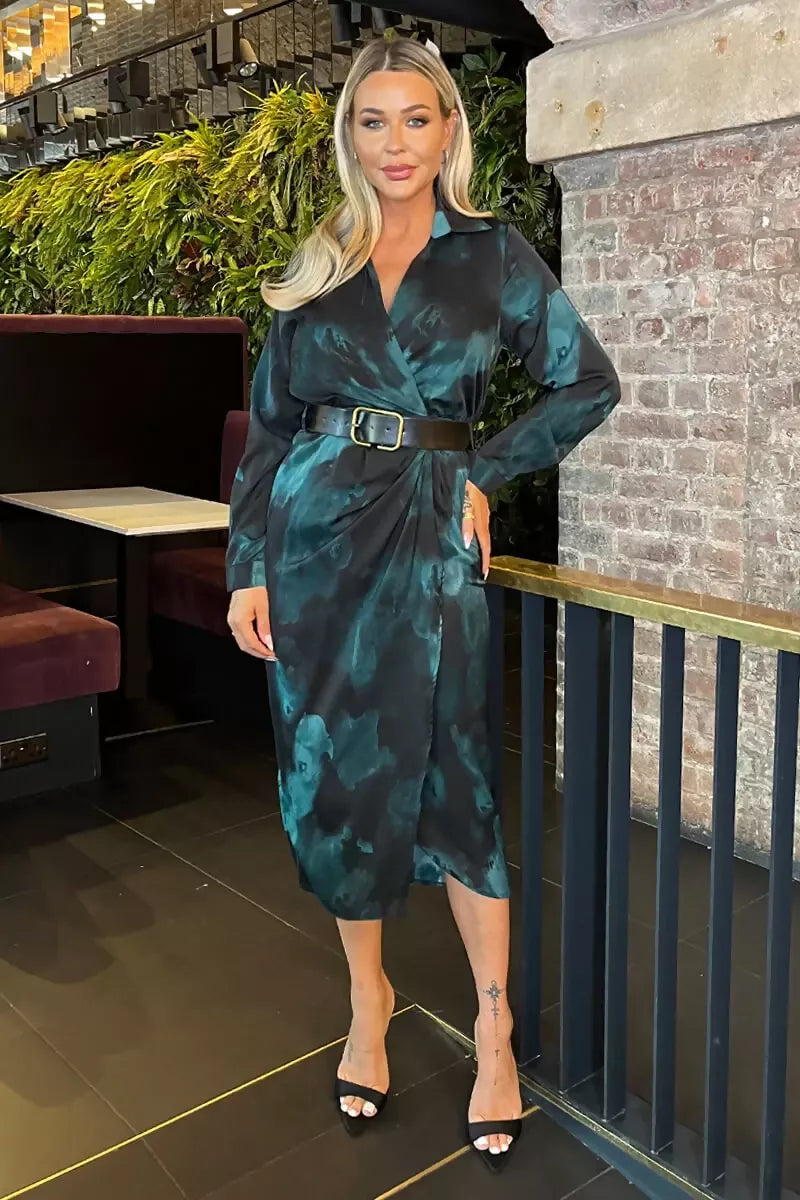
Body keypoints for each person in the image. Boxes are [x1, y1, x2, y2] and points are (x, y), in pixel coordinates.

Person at [226, 34, 620, 1173]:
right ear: (348, 137)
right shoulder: (320, 259)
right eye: (372, 121)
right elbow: (270, 429)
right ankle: (369, 1000)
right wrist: (250, 562)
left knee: (458, 782)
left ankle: (493, 1028)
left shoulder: (492, 255)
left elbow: (585, 381)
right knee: (336, 779)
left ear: (449, 130)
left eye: (415, 118)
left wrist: (483, 471)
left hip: (430, 539)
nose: (394, 143)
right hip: (313, 543)